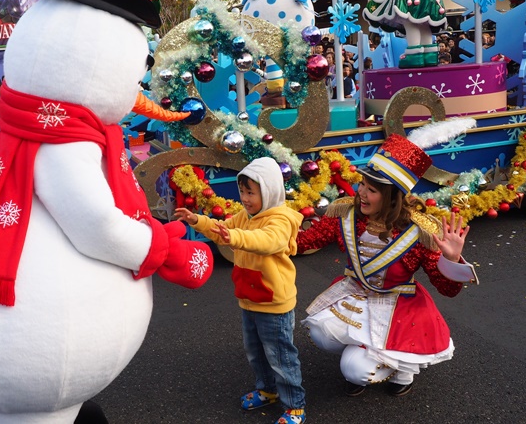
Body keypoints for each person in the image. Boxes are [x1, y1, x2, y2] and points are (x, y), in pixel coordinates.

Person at [298, 128, 479, 398]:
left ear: (393, 196)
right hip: (356, 295)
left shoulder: (420, 232)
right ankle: (366, 356)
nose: (361, 193)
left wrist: (451, 259)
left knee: (354, 370)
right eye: (362, 185)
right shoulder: (346, 214)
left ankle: (401, 369)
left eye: (371, 190)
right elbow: (307, 240)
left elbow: (448, 289)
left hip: (398, 305)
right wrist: (264, 234)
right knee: (321, 332)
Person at [174, 157, 306, 424]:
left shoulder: (280, 220)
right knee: (256, 352)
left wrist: (233, 237)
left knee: (281, 356)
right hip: (249, 297)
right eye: (242, 191)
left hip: (273, 302)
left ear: (268, 191)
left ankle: (295, 405)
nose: (245, 198)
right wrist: (198, 220)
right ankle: (267, 390)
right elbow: (222, 229)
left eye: (251, 193)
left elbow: (267, 242)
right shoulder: (246, 217)